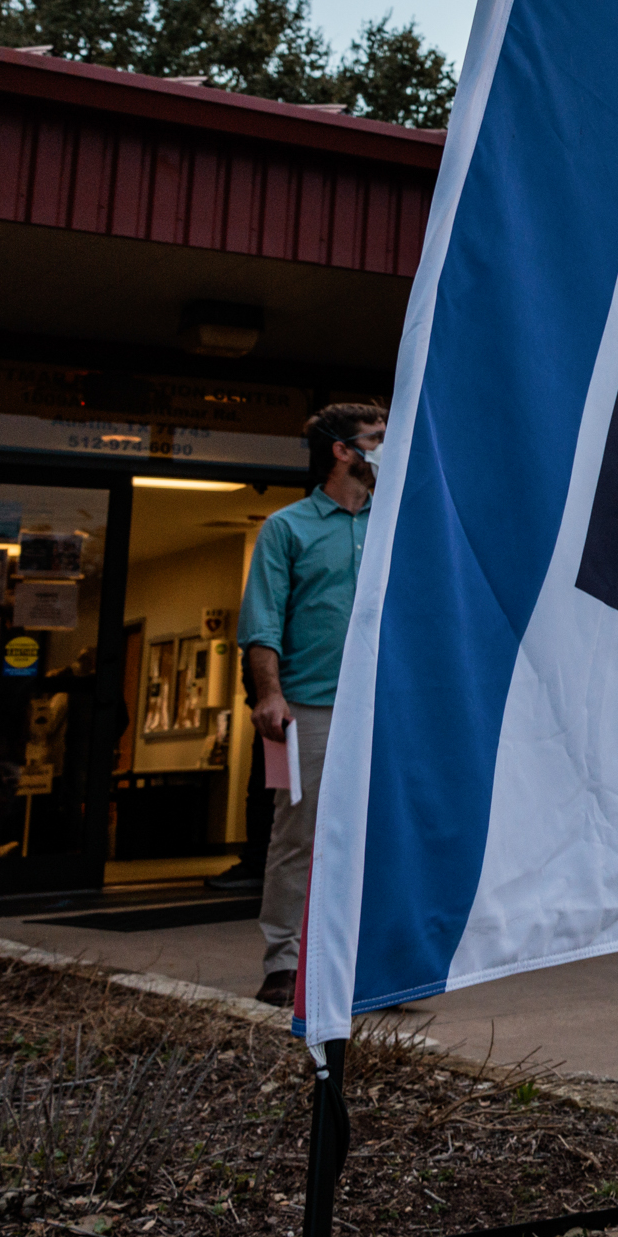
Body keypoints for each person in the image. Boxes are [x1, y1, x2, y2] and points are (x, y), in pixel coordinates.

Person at [238, 401, 385, 1007]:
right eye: (376, 439)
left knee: (378, 838)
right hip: (313, 707)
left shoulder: (397, 524)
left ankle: (372, 966)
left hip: (383, 708)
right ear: (342, 451)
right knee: (298, 837)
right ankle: (285, 965)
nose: (387, 449)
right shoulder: (287, 528)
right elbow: (262, 622)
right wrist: (269, 694)